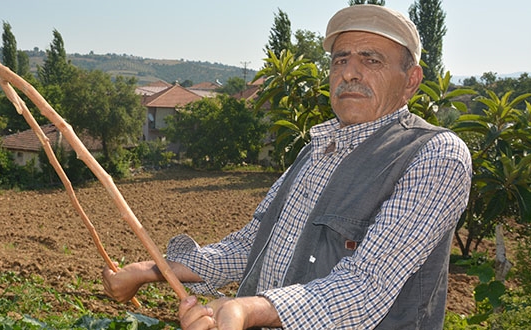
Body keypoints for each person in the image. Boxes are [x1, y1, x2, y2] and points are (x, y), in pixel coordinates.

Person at [103, 4, 472, 329]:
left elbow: (365, 286)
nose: (349, 73)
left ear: (411, 81)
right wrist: (148, 271)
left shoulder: (436, 155)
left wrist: (246, 310)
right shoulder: (317, 150)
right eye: (340, 60)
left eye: (371, 60)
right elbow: (251, 246)